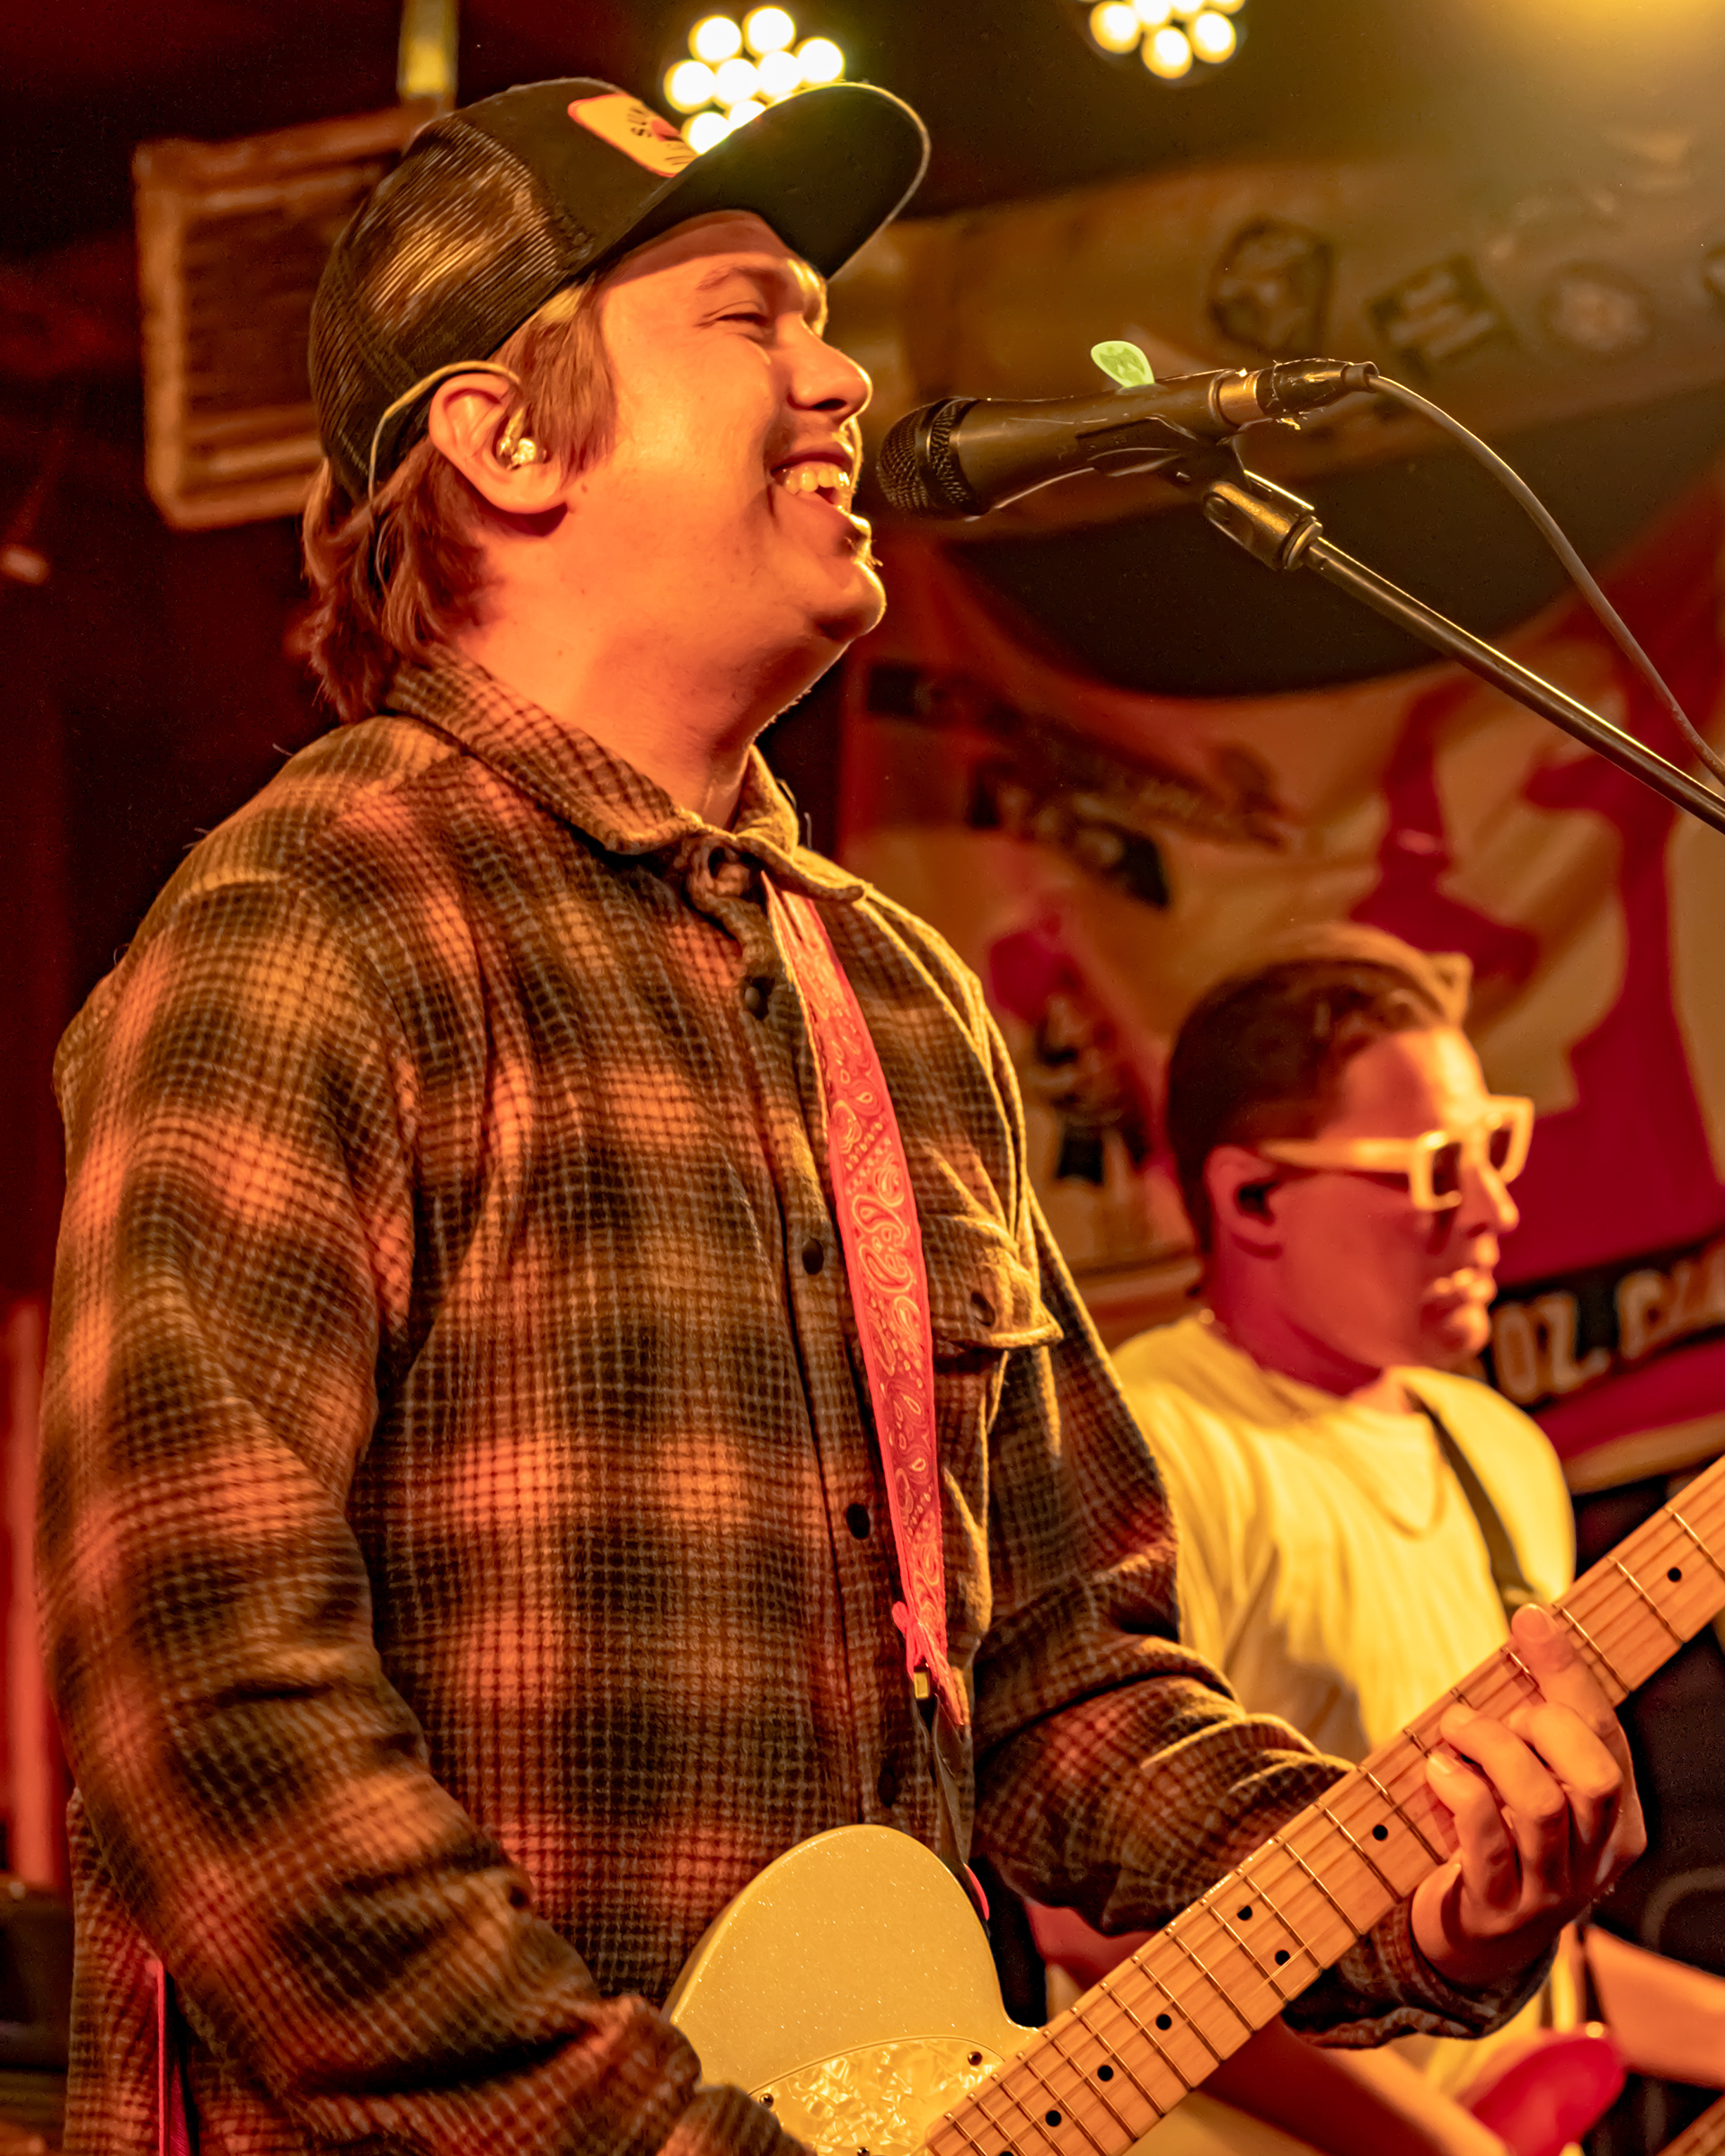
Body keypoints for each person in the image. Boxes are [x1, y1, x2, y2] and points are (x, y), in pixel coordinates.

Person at [40, 83, 1641, 2156]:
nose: (845, 379)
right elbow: (206, 1703)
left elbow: (1062, 1685)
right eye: (750, 318)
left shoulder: (891, 996)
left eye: (823, 319)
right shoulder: (311, 920)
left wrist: (1406, 1885)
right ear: (506, 440)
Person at [1034, 926, 1725, 2153]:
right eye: (1436, 1170)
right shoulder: (1155, 1446)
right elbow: (1096, 1933)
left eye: (1495, 1148)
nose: (1494, 1209)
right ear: (1252, 1198)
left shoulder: (1497, 1450)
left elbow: (1509, 1943)